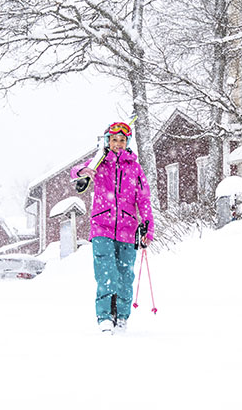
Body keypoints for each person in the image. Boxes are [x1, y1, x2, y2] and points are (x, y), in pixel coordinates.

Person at [71, 121, 154, 334]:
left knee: (125, 276)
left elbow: (143, 199)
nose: (118, 144)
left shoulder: (134, 168)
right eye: (114, 140)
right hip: (102, 227)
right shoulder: (100, 163)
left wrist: (147, 226)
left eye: (122, 140)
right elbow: (75, 172)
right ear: (108, 141)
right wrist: (84, 171)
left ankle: (123, 317)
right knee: (106, 272)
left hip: (127, 228)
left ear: (127, 143)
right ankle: (105, 317)